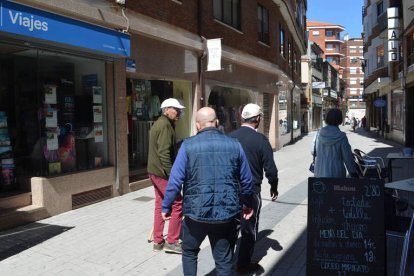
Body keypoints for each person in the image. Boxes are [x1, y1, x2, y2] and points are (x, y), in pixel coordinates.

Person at [161, 107, 254, 276]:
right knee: (224, 261)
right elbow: (247, 180)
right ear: (216, 123)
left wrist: (166, 206)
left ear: (197, 126)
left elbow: (175, 181)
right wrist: (247, 204)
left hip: (195, 213)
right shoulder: (234, 145)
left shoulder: (187, 145)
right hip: (226, 214)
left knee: (189, 252)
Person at [229, 103, 279, 273]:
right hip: (250, 192)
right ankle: (243, 264)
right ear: (257, 119)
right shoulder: (260, 140)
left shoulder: (230, 137)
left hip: (229, 191)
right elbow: (270, 168)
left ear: (242, 118)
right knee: (249, 229)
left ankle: (225, 261)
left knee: (230, 227)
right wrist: (274, 186)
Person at [147, 98, 185, 254]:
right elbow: (163, 153)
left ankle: (158, 241)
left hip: (155, 171)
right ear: (167, 109)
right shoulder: (164, 126)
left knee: (160, 204)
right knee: (178, 203)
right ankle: (172, 241)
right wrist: (172, 176)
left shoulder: (162, 123)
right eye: (176, 109)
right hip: (162, 173)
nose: (179, 112)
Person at [311, 108, 358, 178]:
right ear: (340, 120)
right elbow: (348, 158)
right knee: (336, 188)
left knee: (321, 188)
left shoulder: (318, 134)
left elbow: (312, 151)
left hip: (319, 172)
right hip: (336, 174)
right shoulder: (341, 136)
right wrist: (353, 173)